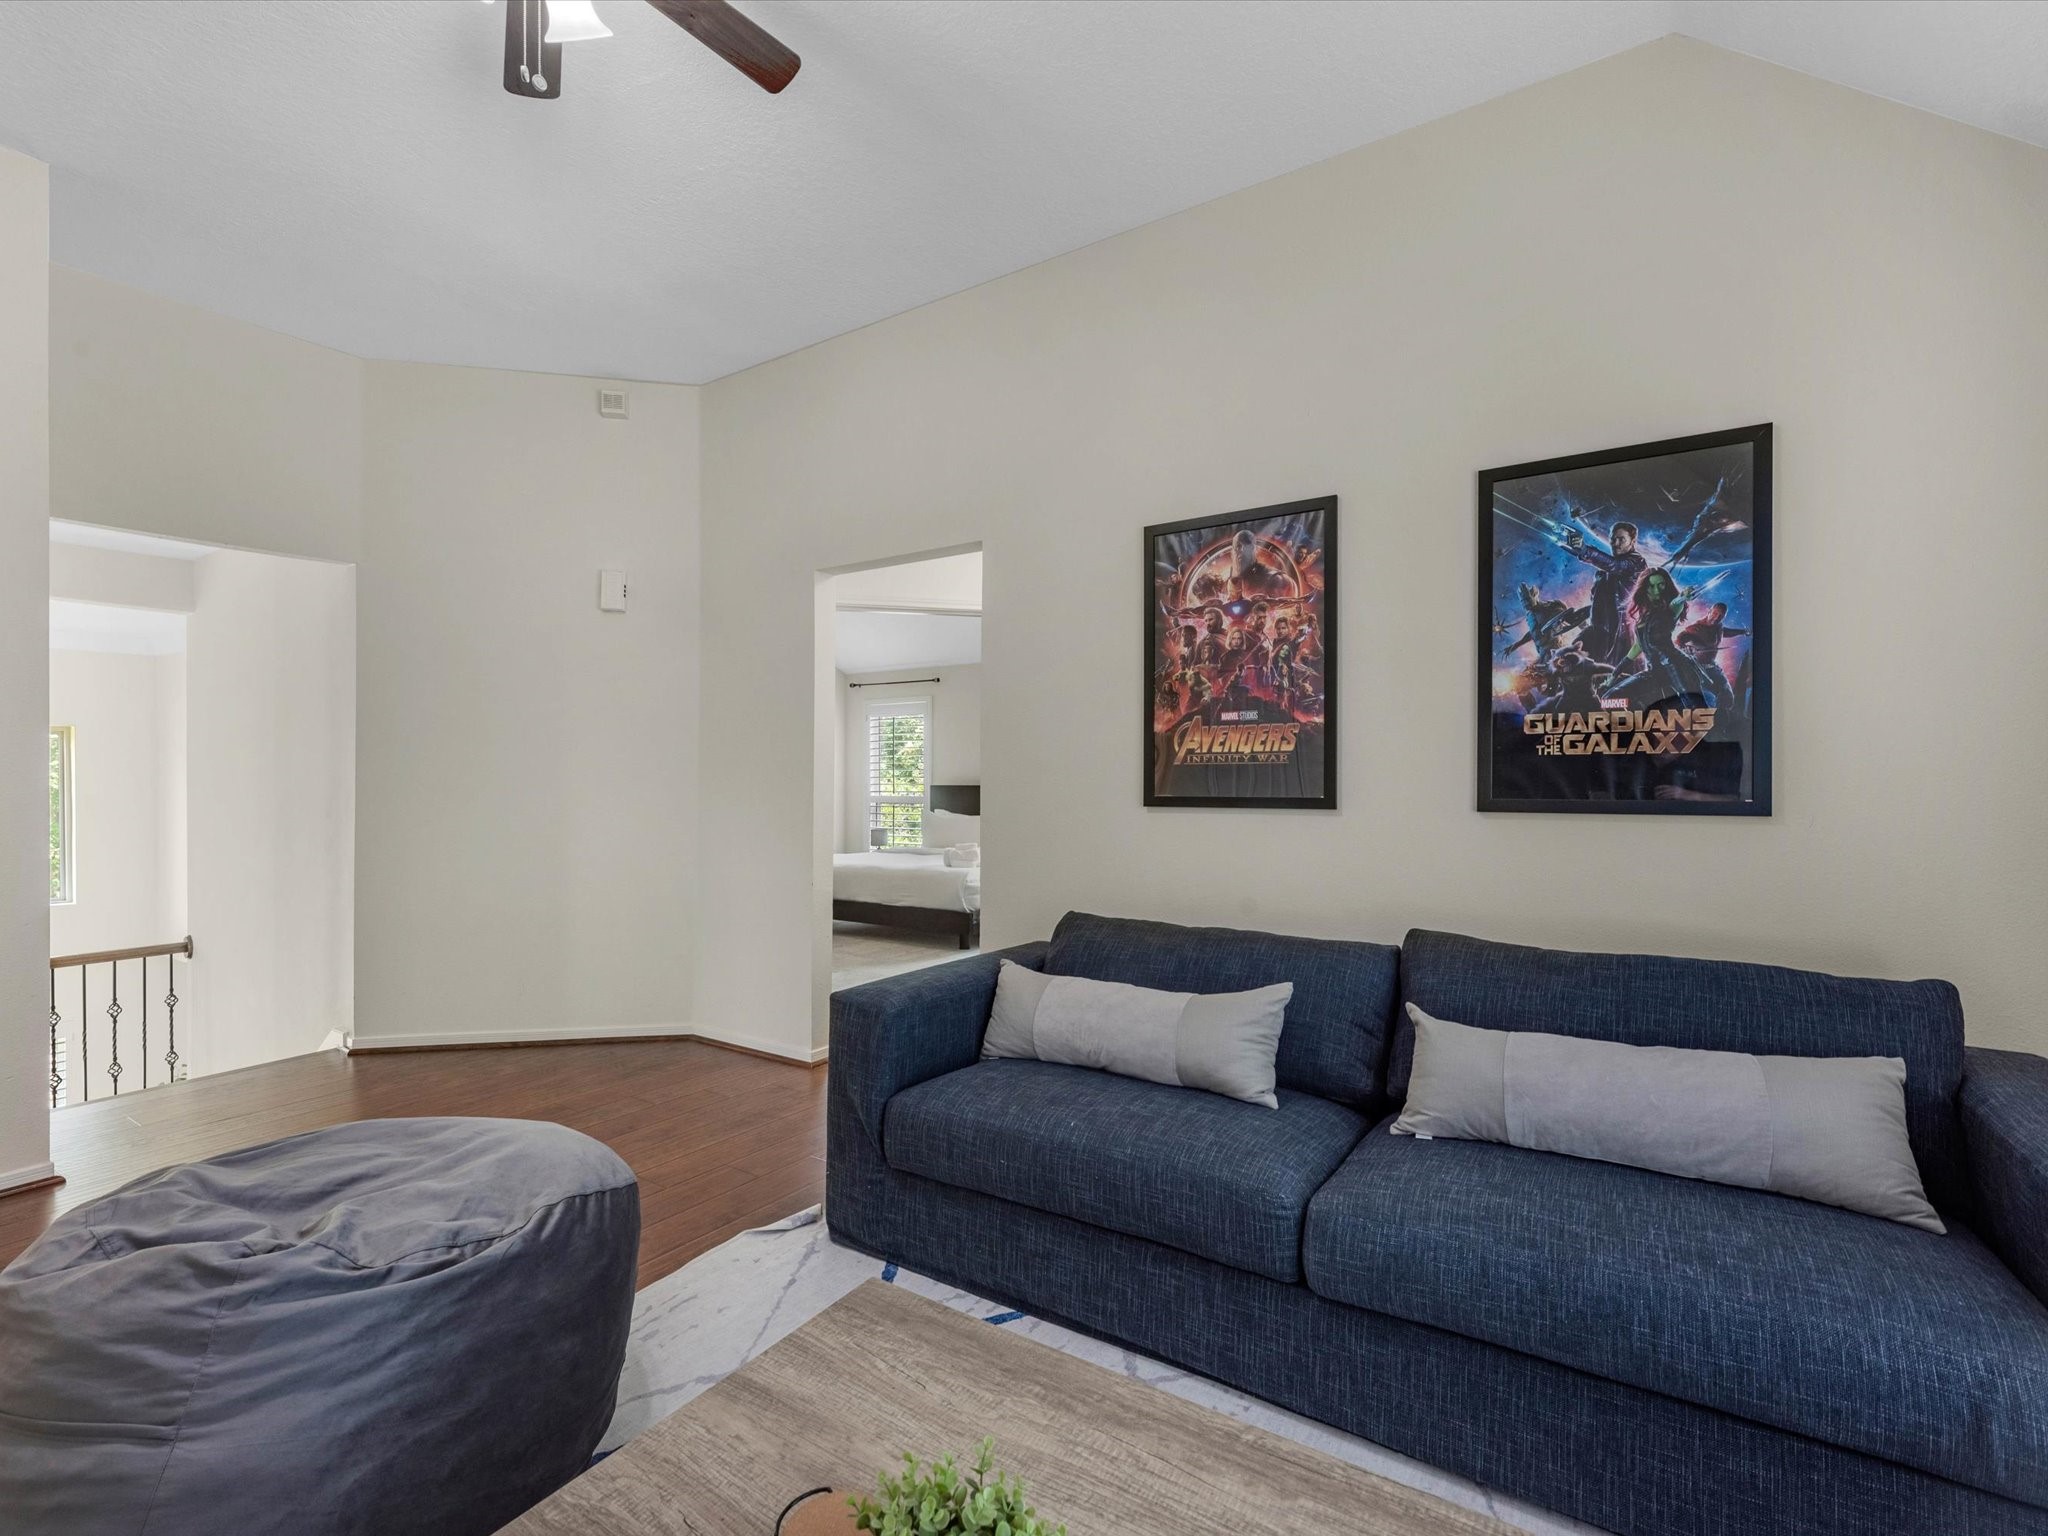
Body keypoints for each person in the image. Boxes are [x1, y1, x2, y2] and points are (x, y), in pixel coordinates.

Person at [1564, 520, 1648, 664]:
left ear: (1632, 541)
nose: (1615, 544)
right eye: (1613, 539)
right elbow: (1600, 600)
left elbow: (1615, 565)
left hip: (1618, 632)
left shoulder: (1636, 562)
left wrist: (1585, 551)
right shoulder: (1606, 572)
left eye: (1621, 539)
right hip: (1600, 626)